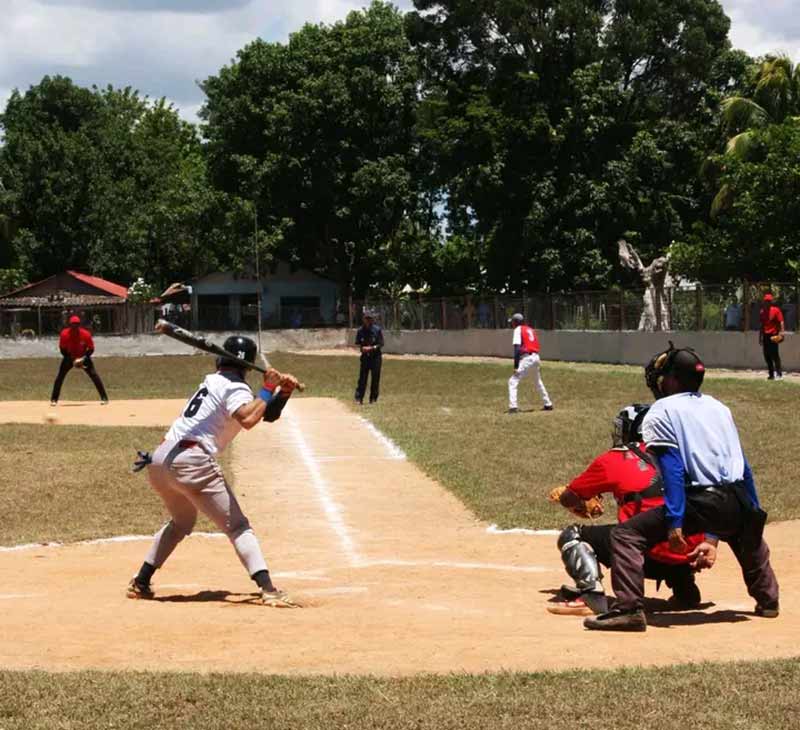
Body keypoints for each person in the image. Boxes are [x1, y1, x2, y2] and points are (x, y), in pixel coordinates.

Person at [585, 343, 780, 631]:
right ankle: (769, 601)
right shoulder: (719, 407)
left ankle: (628, 610)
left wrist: (675, 522)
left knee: (626, 535)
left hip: (700, 503)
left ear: (673, 380)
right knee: (746, 535)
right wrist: (753, 510)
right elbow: (743, 465)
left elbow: (673, 468)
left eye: (663, 376)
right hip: (737, 496)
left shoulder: (661, 411)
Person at [126, 336, 301, 608]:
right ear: (247, 365)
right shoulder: (236, 387)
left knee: (182, 522)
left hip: (161, 459)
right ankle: (268, 589)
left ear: (221, 359)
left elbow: (264, 413)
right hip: (191, 460)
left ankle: (141, 581)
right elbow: (249, 418)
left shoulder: (211, 382)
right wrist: (268, 387)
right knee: (238, 527)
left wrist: (283, 393)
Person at [549, 404, 705, 617]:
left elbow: (570, 497)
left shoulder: (616, 457)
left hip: (644, 554)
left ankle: (590, 595)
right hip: (693, 553)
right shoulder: (682, 454)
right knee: (667, 519)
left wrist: (573, 499)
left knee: (573, 534)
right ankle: (686, 590)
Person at [50, 315, 109, 405]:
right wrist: (72, 359)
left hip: (83, 357)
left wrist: (83, 359)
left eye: (77, 324)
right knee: (60, 377)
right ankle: (54, 399)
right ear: (70, 325)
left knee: (94, 375)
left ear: (79, 325)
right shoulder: (64, 334)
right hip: (69, 357)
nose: (75, 326)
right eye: (73, 324)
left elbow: (91, 349)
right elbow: (62, 350)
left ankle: (104, 398)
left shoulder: (86, 334)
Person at [507, 313, 552, 413]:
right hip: (536, 357)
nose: (512, 324)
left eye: (512, 322)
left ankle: (513, 407)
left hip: (527, 358)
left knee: (512, 381)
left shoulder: (518, 330)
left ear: (516, 322)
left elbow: (517, 348)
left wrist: (516, 366)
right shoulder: (530, 329)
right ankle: (548, 404)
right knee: (537, 381)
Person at [354, 310, 384, 404]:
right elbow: (358, 343)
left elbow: (381, 343)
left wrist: (372, 348)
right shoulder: (360, 331)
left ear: (372, 319)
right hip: (365, 357)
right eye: (366, 318)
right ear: (363, 319)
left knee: (375, 378)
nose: (368, 320)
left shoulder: (377, 330)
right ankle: (359, 398)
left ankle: (373, 399)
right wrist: (362, 348)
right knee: (362, 378)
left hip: (376, 357)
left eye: (369, 318)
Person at [759, 293, 785, 380]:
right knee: (766, 356)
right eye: (766, 301)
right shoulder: (762, 312)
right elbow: (762, 325)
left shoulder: (776, 310)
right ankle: (771, 375)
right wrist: (760, 337)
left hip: (774, 335)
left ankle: (779, 374)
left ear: (771, 302)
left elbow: (781, 321)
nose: (767, 303)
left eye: (769, 301)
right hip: (765, 335)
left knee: (775, 355)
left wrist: (782, 333)